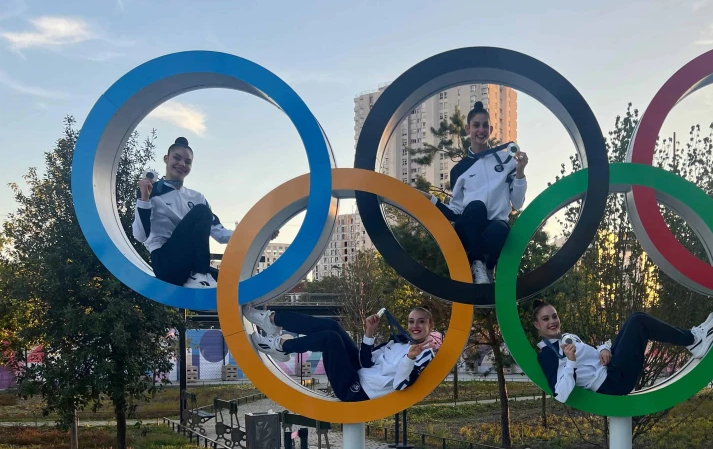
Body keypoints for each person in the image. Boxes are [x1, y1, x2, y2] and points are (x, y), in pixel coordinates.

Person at [531, 301, 713, 402]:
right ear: (537, 325)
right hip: (613, 383)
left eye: (554, 316)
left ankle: (693, 339)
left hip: (611, 367)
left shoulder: (568, 337)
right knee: (639, 323)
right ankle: (693, 339)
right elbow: (560, 394)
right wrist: (570, 361)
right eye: (546, 319)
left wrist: (604, 349)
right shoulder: (547, 355)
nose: (552, 322)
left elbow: (592, 354)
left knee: (636, 316)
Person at [242, 305, 442, 402]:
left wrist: (410, 358)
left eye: (421, 321)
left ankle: (282, 348)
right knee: (332, 325)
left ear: (430, 325)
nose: (415, 326)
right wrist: (369, 333)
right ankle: (272, 320)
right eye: (412, 321)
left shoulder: (425, 354)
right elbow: (365, 362)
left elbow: (401, 385)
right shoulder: (398, 341)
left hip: (356, 389)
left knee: (329, 338)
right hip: (357, 370)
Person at [428, 101, 528, 284]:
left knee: (499, 229)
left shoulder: (507, 160)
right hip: (470, 229)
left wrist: (520, 172)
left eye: (484, 126)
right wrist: (432, 201)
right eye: (476, 125)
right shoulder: (459, 170)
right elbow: (456, 210)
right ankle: (478, 263)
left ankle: (490, 267)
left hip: (494, 232)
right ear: (467, 129)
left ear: (490, 129)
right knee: (475, 207)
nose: (480, 130)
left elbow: (518, 203)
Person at [131, 137, 233, 289]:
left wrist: (254, 234)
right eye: (177, 158)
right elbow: (140, 236)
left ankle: (253, 311)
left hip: (190, 265)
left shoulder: (198, 197)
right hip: (166, 263)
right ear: (166, 159)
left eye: (188, 162)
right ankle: (200, 274)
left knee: (232, 281)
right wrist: (144, 198)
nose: (182, 164)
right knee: (201, 211)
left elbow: (220, 234)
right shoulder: (152, 191)